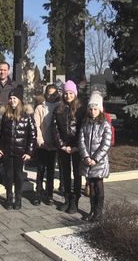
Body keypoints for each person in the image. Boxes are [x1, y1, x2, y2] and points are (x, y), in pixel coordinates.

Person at [0, 86, 37, 210]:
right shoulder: (5, 115)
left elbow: (32, 135)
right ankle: (9, 197)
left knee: (18, 176)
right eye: (11, 98)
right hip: (7, 151)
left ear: (19, 100)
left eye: (15, 98)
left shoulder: (27, 115)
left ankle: (18, 198)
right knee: (8, 176)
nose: (12, 100)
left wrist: (29, 152)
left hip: (20, 152)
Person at [52, 80, 85, 214]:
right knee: (65, 174)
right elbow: (55, 129)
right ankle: (66, 198)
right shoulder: (59, 109)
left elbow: (83, 129)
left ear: (75, 94)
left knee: (77, 174)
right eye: (66, 93)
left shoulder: (81, 109)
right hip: (63, 147)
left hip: (77, 147)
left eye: (71, 93)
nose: (68, 96)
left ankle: (75, 200)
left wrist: (77, 146)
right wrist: (62, 145)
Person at [79, 92, 112, 222]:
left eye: (95, 109)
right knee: (91, 186)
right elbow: (81, 141)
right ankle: (92, 210)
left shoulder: (104, 124)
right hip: (88, 161)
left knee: (98, 185)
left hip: (99, 162)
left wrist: (96, 159)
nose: (93, 111)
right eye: (91, 109)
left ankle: (99, 212)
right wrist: (86, 157)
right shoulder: (85, 123)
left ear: (100, 109)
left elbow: (106, 143)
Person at [32, 84, 61, 206]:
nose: (52, 96)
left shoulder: (60, 107)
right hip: (42, 144)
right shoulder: (40, 108)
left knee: (50, 170)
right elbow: (36, 125)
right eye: (49, 93)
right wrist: (41, 141)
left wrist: (56, 142)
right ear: (46, 94)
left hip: (54, 144)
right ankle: (38, 193)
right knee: (41, 169)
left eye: (54, 94)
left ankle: (49, 193)